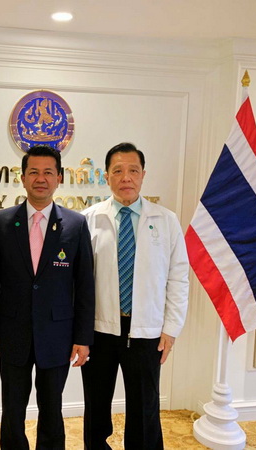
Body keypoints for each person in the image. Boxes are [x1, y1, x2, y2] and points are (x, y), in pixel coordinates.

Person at [0, 144, 95, 450]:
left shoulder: (75, 224)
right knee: (12, 410)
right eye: (33, 172)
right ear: (22, 178)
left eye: (48, 172)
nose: (40, 178)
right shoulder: (2, 221)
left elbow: (85, 286)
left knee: (52, 410)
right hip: (11, 333)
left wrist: (83, 338)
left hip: (57, 335)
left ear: (59, 178)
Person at [81, 142, 189, 449]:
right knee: (96, 404)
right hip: (99, 330)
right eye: (118, 171)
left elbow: (178, 278)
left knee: (145, 408)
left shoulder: (166, 220)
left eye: (133, 170)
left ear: (143, 175)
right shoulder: (88, 219)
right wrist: (79, 331)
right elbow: (79, 283)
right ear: (106, 177)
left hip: (147, 331)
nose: (126, 177)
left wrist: (171, 328)